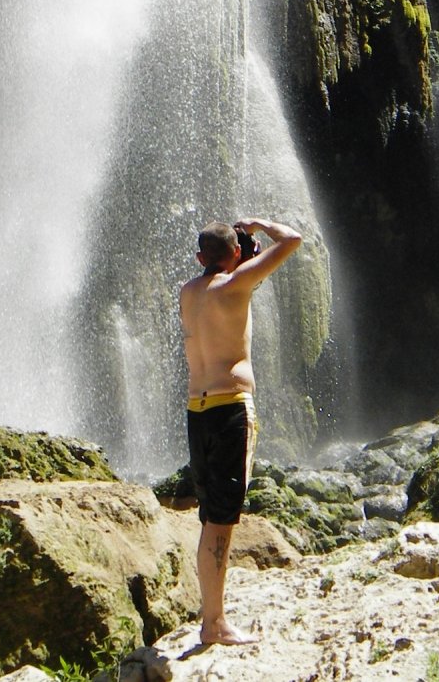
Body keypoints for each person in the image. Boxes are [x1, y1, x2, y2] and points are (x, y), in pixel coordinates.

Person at [179, 215, 302, 647]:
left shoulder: (188, 293)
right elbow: (292, 239)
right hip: (231, 408)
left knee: (210, 516)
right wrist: (257, 224)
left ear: (199, 258)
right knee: (223, 522)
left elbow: (224, 293)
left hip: (197, 410)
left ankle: (210, 616)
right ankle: (215, 625)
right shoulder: (236, 284)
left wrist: (236, 259)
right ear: (236, 254)